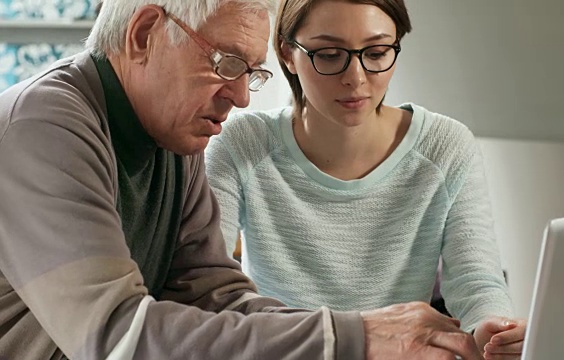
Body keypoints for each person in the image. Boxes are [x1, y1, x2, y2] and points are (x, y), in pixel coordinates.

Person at [0, 0, 486, 359]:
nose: (241, 98)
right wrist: (353, 338)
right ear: (146, 33)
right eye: (226, 63)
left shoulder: (172, 133)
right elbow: (118, 338)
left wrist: (369, 333)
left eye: (250, 72)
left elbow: (217, 299)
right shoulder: (42, 125)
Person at [205, 0, 527, 358]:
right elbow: (206, 289)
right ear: (287, 55)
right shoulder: (243, 144)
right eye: (329, 54)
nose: (356, 78)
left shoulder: (445, 147)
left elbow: (476, 282)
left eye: (375, 53)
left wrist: (493, 330)